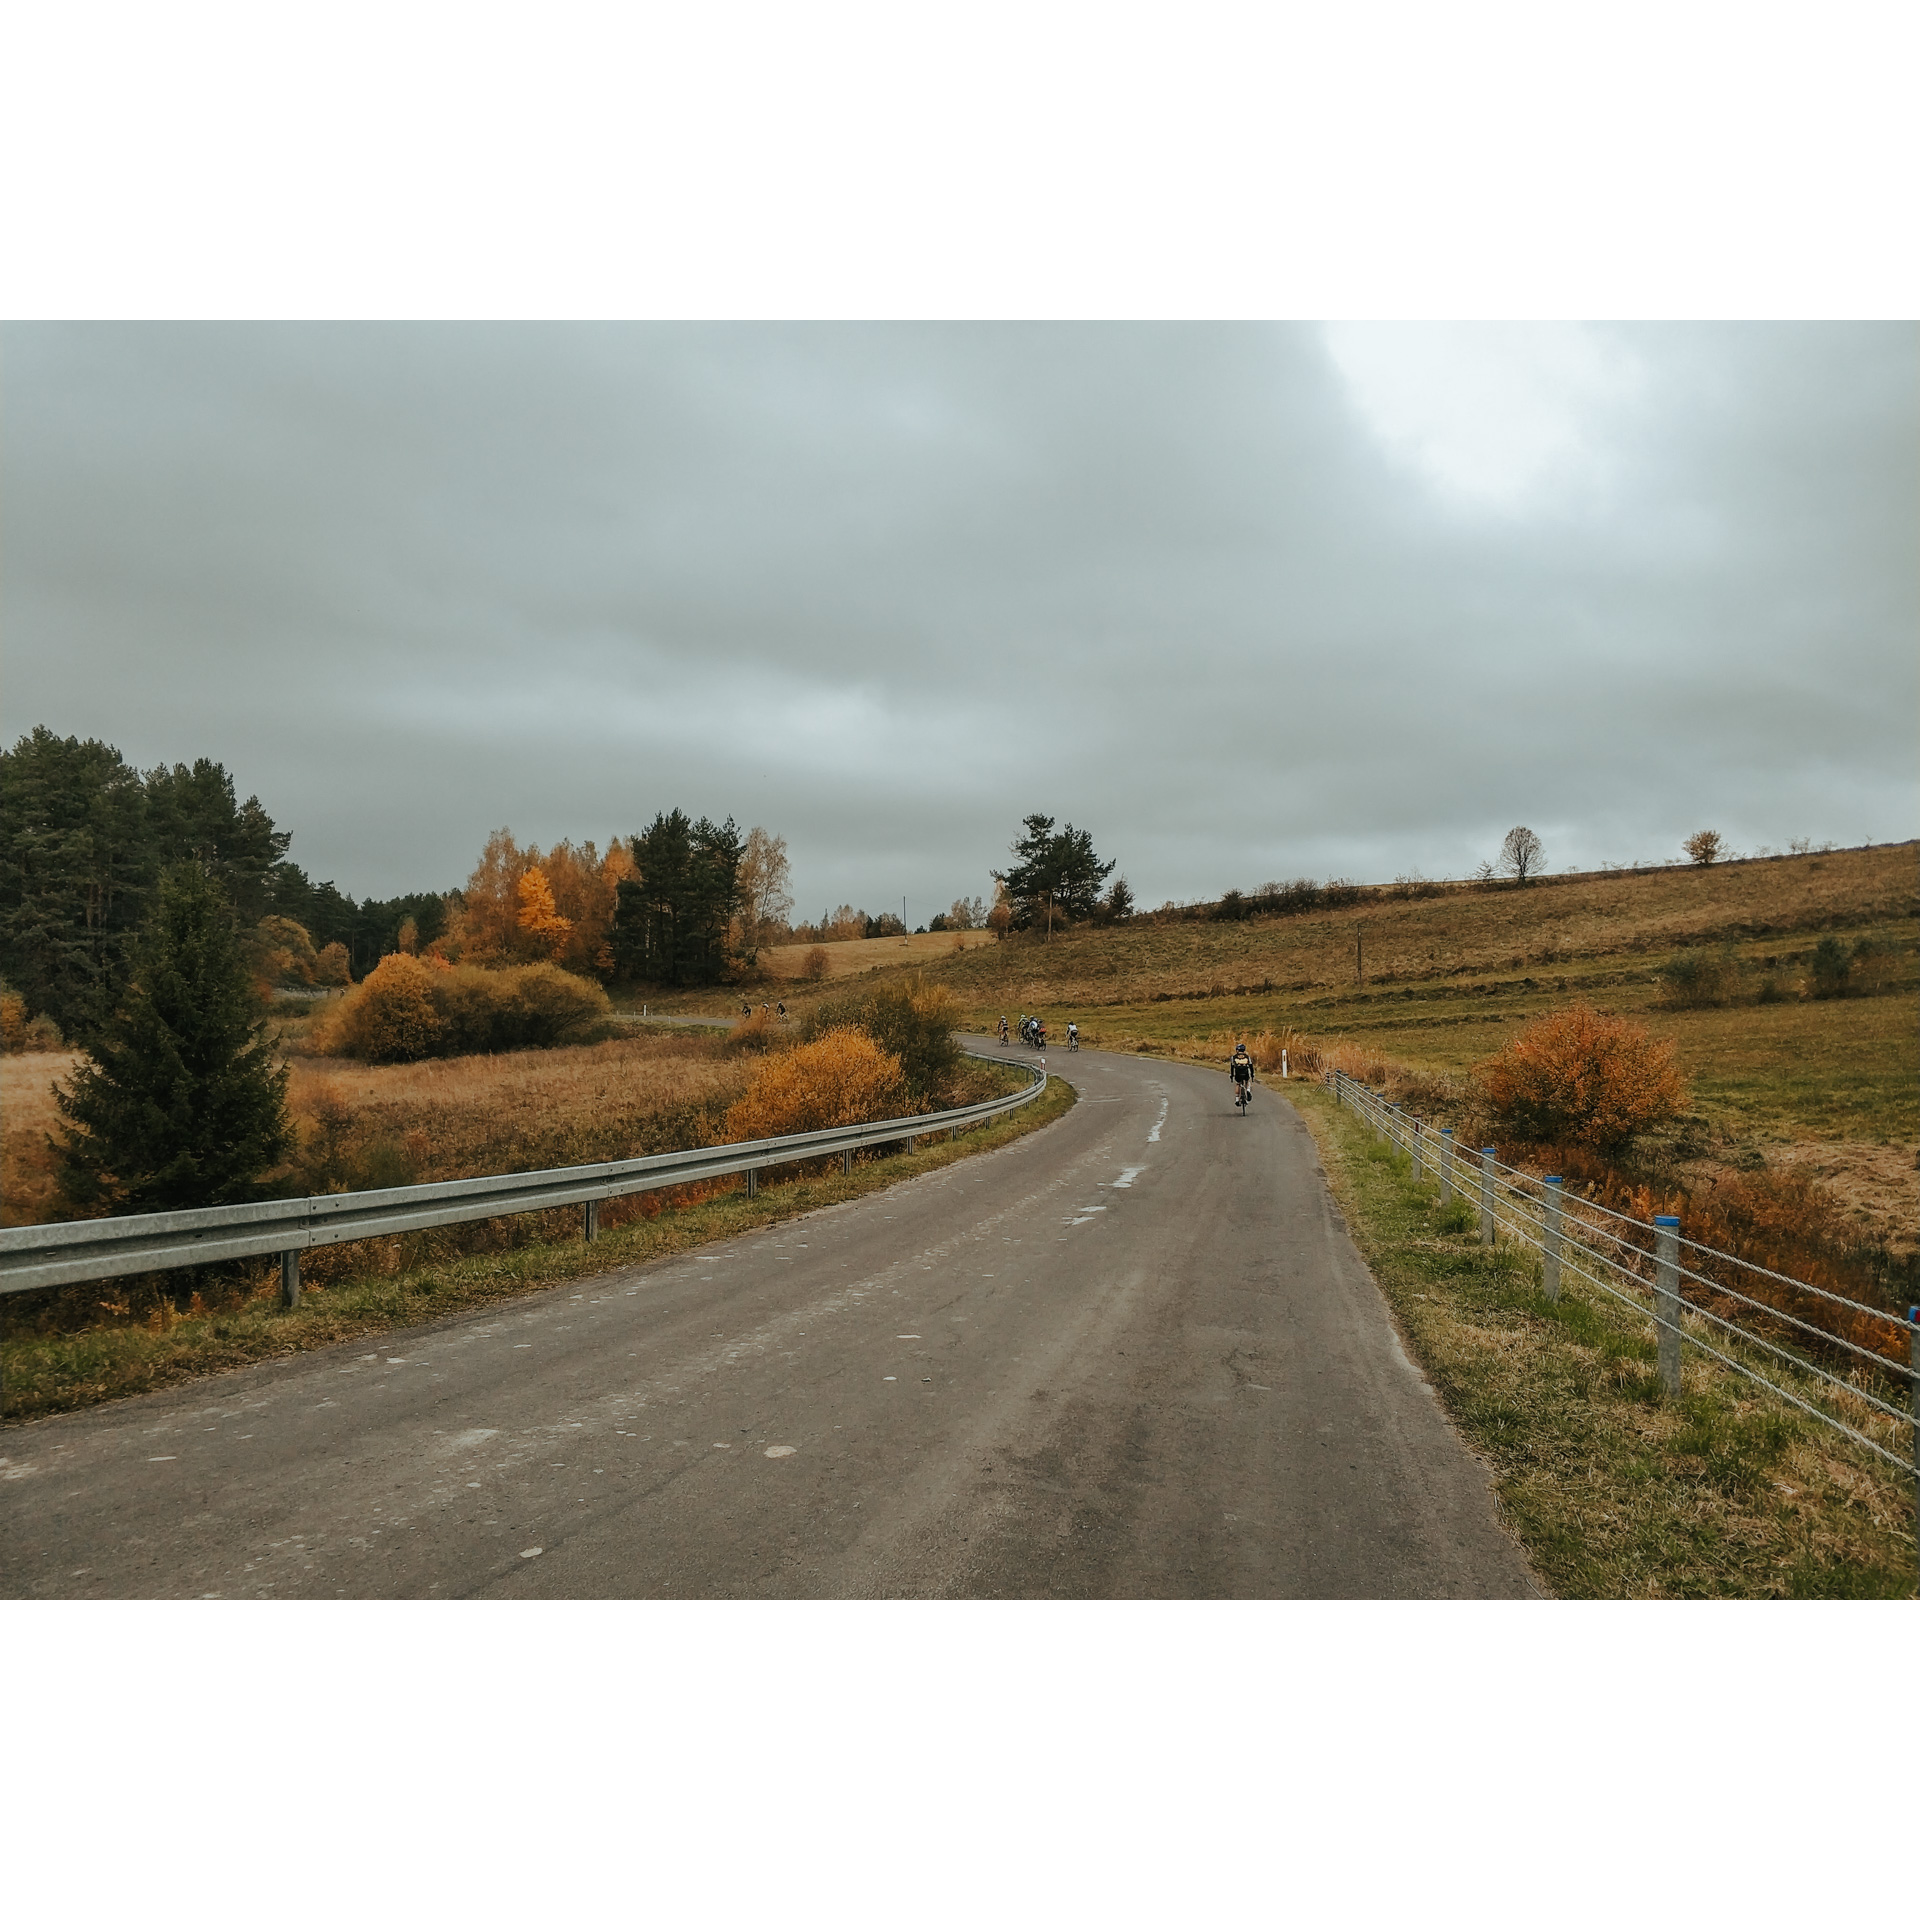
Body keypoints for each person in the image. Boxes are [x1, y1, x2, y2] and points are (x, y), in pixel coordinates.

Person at [1229, 1041, 1255, 1107]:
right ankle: (1248, 1090)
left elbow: (1232, 1067)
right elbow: (1251, 1066)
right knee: (1247, 1082)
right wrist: (1252, 1074)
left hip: (1238, 1073)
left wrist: (1232, 1075)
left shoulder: (1234, 1057)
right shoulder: (1247, 1057)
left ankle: (1237, 1099)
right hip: (1245, 1072)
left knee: (1238, 1084)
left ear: (1237, 1050)